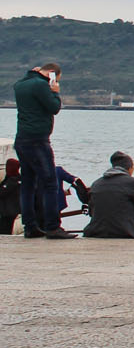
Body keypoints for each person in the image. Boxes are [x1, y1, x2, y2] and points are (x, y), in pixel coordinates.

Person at [12, 62, 73, 239]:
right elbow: (54, 108)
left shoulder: (20, 84)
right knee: (50, 183)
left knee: (28, 184)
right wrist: (55, 91)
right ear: (52, 74)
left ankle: (30, 226)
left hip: (22, 138)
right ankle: (53, 227)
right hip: (38, 140)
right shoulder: (40, 85)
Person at [0, 159, 20, 235]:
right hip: (11, 211)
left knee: (4, 230)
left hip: (8, 211)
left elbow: (2, 192)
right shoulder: (17, 179)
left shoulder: (12, 181)